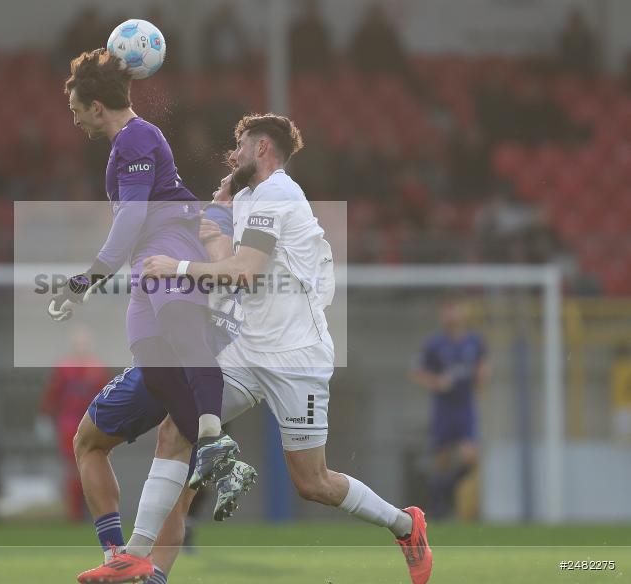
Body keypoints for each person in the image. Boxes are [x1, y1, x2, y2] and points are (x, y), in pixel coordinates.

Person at [120, 113, 433, 584]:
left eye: (240, 145)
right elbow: (227, 264)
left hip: (295, 358)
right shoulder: (249, 196)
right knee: (178, 429)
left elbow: (243, 271)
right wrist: (219, 213)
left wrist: (177, 266)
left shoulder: (280, 193)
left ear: (262, 148)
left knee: (313, 483)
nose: (233, 154)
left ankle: (406, 526)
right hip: (247, 349)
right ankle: (137, 558)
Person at [53, 49, 250, 583]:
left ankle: (211, 440)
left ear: (95, 106)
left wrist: (88, 278)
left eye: (75, 106)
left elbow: (133, 220)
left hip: (169, 261)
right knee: (95, 442)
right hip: (148, 279)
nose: (72, 117)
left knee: (178, 425)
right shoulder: (126, 147)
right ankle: (125, 558)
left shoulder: (138, 139)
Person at [74, 196, 252, 584]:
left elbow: (177, 313)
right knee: (178, 497)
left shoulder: (181, 235)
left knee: (88, 442)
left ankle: (115, 553)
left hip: (174, 364)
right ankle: (149, 576)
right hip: (221, 373)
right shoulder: (252, 245)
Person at [410, 295, 488, 520]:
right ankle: (438, 507)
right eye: (446, 310)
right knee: (441, 460)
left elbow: (483, 365)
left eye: (454, 309)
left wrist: (482, 375)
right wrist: (436, 382)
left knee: (470, 458)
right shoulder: (434, 344)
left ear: (462, 312)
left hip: (465, 408)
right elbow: (416, 371)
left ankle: (445, 491)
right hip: (443, 409)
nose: (450, 315)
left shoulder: (474, 341)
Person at [38, 328, 110, 522]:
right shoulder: (63, 368)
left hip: (92, 424)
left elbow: (105, 398)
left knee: (92, 468)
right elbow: (52, 394)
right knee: (74, 470)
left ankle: (94, 512)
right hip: (69, 425)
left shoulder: (97, 368)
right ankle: (76, 514)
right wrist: (45, 417)